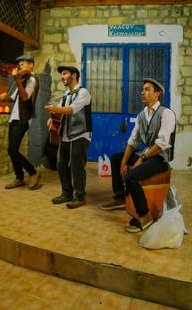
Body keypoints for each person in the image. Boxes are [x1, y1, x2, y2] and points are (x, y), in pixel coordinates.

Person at [101, 78, 176, 233]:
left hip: (159, 157)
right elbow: (133, 140)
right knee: (116, 158)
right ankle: (121, 197)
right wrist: (124, 161)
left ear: (157, 94)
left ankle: (145, 215)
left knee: (131, 177)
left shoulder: (166, 113)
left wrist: (142, 159)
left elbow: (161, 144)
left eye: (147, 89)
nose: (142, 92)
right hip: (147, 153)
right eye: (142, 89)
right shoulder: (142, 115)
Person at [45, 66, 92, 209]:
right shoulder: (66, 94)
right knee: (61, 165)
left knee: (77, 166)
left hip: (80, 134)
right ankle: (67, 193)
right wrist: (52, 119)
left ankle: (80, 196)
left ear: (74, 75)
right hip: (65, 135)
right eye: (61, 74)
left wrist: (54, 109)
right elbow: (60, 112)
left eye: (65, 74)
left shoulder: (83, 92)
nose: (62, 77)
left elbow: (72, 109)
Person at [0, 54, 40, 190]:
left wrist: (17, 80)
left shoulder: (32, 80)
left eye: (23, 64)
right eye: (20, 64)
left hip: (22, 119)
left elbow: (25, 97)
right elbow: (14, 98)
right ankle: (19, 178)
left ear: (31, 65)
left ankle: (33, 172)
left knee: (12, 150)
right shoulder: (22, 79)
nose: (20, 67)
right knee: (12, 150)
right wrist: (6, 97)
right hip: (14, 118)